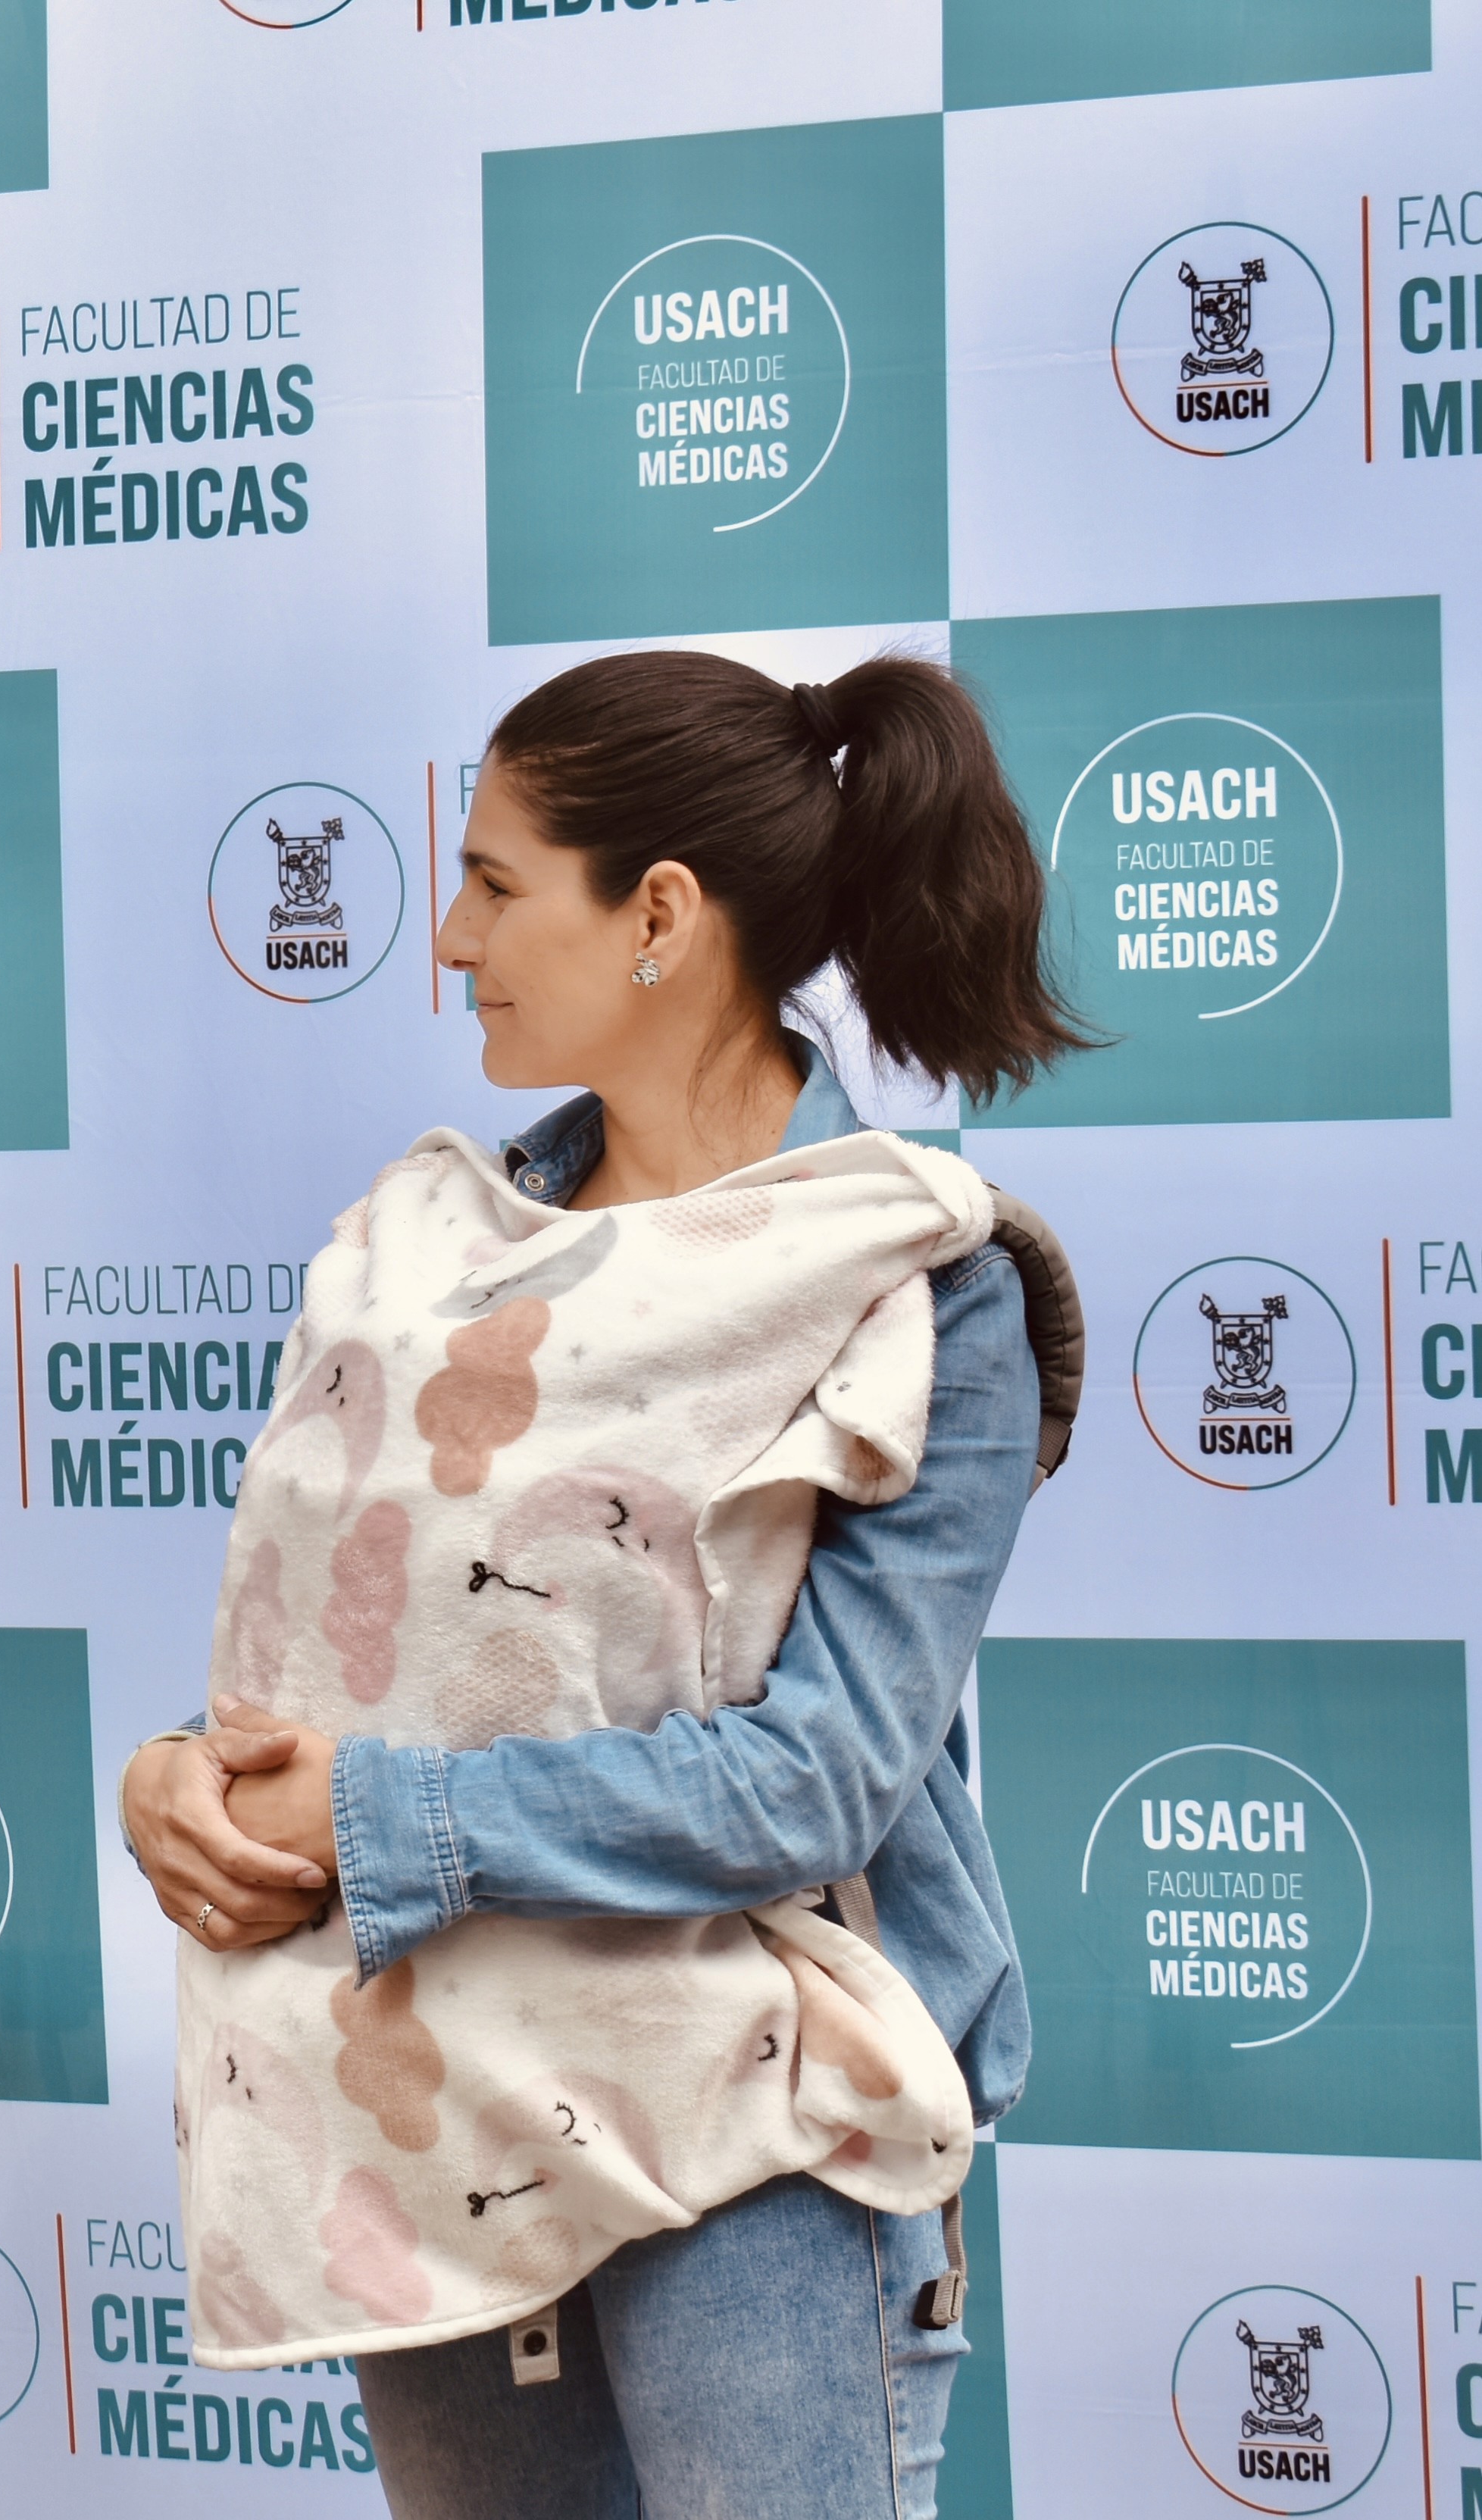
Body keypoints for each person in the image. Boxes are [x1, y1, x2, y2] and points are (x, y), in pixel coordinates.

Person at [120, 649, 1093, 2520]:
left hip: (749, 2137)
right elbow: (353, 1658)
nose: (450, 936)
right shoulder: (422, 1259)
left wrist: (379, 1820)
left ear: (656, 913)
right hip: (424, 2100)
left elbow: (814, 1782)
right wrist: (185, 1777)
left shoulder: (906, 1275)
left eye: (494, 882)